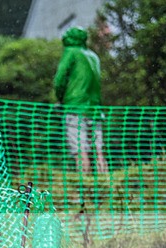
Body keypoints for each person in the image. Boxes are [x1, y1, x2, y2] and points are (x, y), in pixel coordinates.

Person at [54, 26, 109, 174]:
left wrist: (60, 99)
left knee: (80, 150)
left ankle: (85, 189)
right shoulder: (93, 56)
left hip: (75, 107)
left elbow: (59, 79)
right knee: (98, 151)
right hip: (95, 109)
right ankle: (105, 187)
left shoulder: (71, 52)